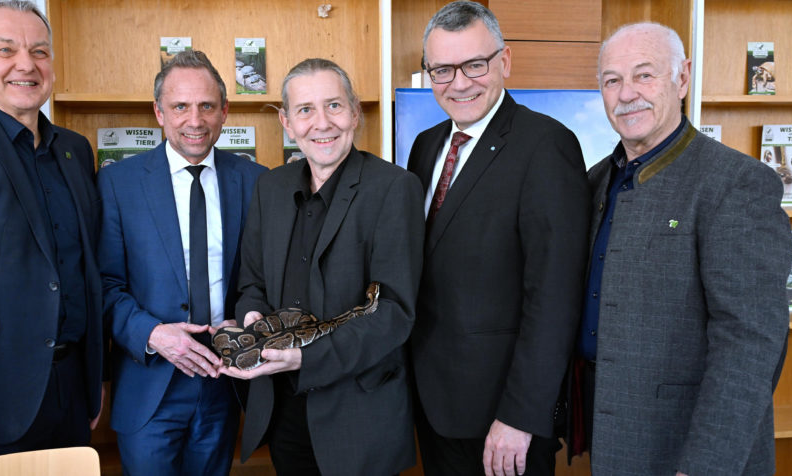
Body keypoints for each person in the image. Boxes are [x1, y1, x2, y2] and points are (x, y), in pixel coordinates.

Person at [566, 22, 791, 475]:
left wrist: (703, 467)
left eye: (644, 75)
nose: (627, 93)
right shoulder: (594, 182)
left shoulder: (736, 184)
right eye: (612, 80)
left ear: (682, 78)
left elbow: (749, 347)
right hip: (612, 433)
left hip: (685, 448)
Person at [406, 2, 591, 476]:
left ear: (504, 61)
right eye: (442, 69)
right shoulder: (426, 145)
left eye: (474, 64)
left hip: (503, 419)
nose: (459, 82)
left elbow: (555, 297)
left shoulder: (547, 145)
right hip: (433, 404)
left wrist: (520, 415)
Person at [220, 58, 424, 476]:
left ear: (354, 112)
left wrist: (303, 359)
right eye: (305, 110)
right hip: (282, 408)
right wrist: (252, 317)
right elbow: (251, 284)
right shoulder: (270, 188)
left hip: (359, 416)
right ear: (287, 122)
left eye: (334, 105)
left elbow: (394, 313)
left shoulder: (394, 188)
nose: (322, 123)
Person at [98, 49, 266, 475]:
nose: (195, 120)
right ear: (159, 112)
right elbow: (104, 285)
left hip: (223, 382)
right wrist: (155, 335)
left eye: (207, 106)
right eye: (180, 106)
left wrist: (246, 318)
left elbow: (260, 277)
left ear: (224, 111)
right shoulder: (118, 183)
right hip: (149, 380)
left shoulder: (256, 181)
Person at [0, 0, 106, 461]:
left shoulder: (75, 150)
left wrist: (93, 379)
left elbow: (86, 269)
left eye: (40, 51)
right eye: (6, 50)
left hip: (71, 392)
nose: (27, 64)